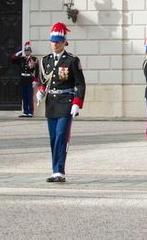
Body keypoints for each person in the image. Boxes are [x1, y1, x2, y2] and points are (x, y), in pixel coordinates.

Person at [36, 22, 85, 183]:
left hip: (66, 103)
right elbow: (44, 80)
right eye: (53, 41)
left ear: (64, 42)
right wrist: (40, 91)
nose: (55, 44)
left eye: (58, 41)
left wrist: (77, 102)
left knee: (61, 136)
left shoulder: (71, 60)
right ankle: (55, 169)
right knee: (52, 138)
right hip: (51, 103)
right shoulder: (46, 61)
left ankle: (59, 171)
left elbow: (80, 83)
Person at [11, 41, 40, 117]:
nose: (27, 52)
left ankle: (30, 112)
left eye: (28, 50)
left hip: (30, 79)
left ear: (30, 51)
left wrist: (35, 80)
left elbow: (37, 70)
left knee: (29, 96)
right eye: (26, 51)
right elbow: (13, 59)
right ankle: (25, 111)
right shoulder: (22, 59)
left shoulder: (34, 59)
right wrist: (20, 51)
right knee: (24, 96)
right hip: (23, 79)